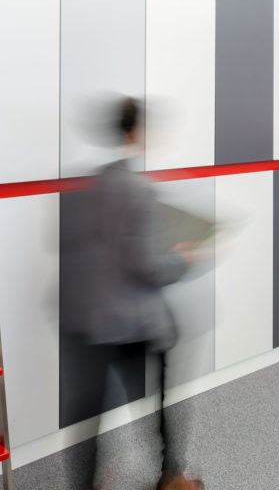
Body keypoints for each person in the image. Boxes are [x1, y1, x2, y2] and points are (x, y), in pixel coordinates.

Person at [62, 97, 205, 490]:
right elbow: (146, 267)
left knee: (88, 412)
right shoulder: (138, 190)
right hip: (130, 321)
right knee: (161, 399)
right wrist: (184, 259)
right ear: (135, 132)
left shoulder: (82, 185)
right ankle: (172, 477)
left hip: (81, 319)